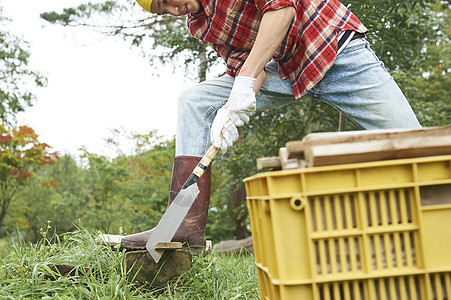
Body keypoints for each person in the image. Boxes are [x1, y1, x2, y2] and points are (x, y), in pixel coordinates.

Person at [120, 0, 421, 250]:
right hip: (283, 71)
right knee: (194, 101)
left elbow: (282, 9)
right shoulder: (201, 25)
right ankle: (182, 228)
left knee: (417, 145)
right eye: (164, 12)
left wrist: (245, 81)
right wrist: (231, 110)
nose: (174, 11)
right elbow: (246, 66)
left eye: (166, 1)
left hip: (332, 50)